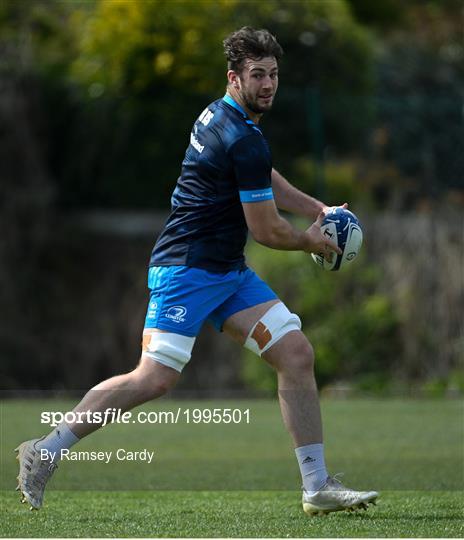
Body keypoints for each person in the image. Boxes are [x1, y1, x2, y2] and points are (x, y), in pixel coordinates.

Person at [16, 27, 378, 515]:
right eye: (257, 75)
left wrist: (318, 209)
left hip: (227, 271)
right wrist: (312, 240)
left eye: (273, 74)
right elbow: (268, 230)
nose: (268, 84)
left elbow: (263, 177)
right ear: (234, 77)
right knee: (153, 379)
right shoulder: (239, 136)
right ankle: (43, 451)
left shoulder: (224, 115)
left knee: (295, 352)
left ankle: (316, 487)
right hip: (187, 269)